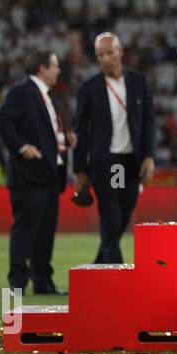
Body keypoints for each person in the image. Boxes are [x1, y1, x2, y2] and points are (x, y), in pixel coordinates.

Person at [72, 32, 155, 264]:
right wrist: (79, 170)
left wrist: (149, 156)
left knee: (123, 216)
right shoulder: (89, 88)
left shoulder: (139, 82)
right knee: (111, 217)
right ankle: (114, 272)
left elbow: (149, 121)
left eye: (109, 53)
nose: (105, 59)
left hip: (131, 162)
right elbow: (80, 132)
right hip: (106, 162)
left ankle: (100, 266)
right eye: (100, 55)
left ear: (120, 52)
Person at [0, 50, 70, 295]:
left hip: (48, 176)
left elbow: (46, 134)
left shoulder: (46, 97)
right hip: (29, 177)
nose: (58, 70)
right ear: (42, 68)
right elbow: (1, 120)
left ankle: (43, 281)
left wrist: (66, 139)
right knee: (26, 231)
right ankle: (17, 283)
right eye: (55, 66)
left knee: (44, 234)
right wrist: (22, 147)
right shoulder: (23, 92)